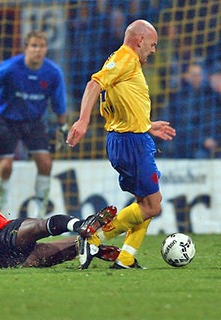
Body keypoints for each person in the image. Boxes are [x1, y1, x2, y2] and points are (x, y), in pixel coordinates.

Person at [67, 19, 176, 269]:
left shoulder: (121, 61)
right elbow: (93, 84)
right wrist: (83, 121)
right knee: (152, 205)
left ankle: (125, 259)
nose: (154, 49)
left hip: (131, 137)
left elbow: (121, 100)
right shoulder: (126, 58)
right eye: (152, 44)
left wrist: (147, 125)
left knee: (146, 203)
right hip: (130, 142)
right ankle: (93, 238)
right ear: (140, 40)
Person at [0, 30, 68, 218]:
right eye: (34, 46)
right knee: (5, 167)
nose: (38, 50)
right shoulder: (9, 68)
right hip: (7, 121)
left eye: (42, 46)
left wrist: (63, 127)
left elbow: (59, 103)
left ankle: (40, 211)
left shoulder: (53, 73)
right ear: (26, 48)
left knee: (45, 163)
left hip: (34, 122)